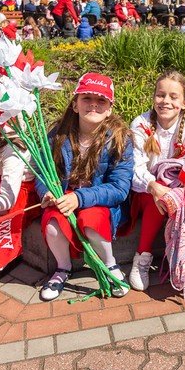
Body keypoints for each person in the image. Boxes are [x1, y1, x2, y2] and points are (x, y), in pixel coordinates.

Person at [37, 73, 133, 302]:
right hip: (65, 195)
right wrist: (46, 192)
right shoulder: (57, 136)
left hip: (98, 199)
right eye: (86, 98)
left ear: (110, 108)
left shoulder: (119, 139)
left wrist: (80, 198)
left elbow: (119, 188)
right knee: (53, 225)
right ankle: (62, 268)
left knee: (91, 223)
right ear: (75, 104)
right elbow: (43, 172)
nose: (93, 104)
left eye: (101, 101)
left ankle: (110, 264)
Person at [127, 71, 185, 290]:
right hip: (145, 190)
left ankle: (183, 259)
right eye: (160, 95)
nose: (165, 101)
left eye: (173, 97)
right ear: (154, 97)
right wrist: (154, 186)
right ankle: (142, 256)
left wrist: (176, 190)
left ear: (184, 102)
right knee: (156, 201)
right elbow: (136, 166)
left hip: (175, 189)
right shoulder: (141, 125)